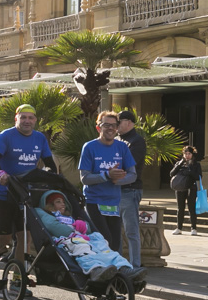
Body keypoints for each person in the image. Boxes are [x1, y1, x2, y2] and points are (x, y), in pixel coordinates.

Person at [0, 104, 57, 261]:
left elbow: (49, 163)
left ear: (35, 120)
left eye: (30, 118)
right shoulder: (6, 136)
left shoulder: (39, 138)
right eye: (23, 117)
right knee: (3, 240)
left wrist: (50, 174)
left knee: (25, 238)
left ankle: (19, 276)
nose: (27, 121)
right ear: (16, 119)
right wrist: (0, 173)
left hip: (25, 193)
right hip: (4, 193)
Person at [34, 190, 145, 283]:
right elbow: (55, 227)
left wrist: (82, 226)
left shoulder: (69, 217)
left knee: (103, 246)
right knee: (83, 249)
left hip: (83, 237)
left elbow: (88, 228)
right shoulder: (48, 216)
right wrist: (75, 229)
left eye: (63, 202)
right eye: (58, 202)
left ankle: (124, 268)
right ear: (50, 205)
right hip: (67, 240)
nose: (63, 204)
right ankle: (95, 270)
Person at [78, 110, 136, 254]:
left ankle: (111, 273)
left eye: (114, 125)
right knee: (104, 240)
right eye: (106, 125)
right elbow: (84, 178)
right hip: (94, 201)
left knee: (115, 243)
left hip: (114, 203)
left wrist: (118, 180)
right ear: (98, 127)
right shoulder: (89, 147)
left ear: (117, 128)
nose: (110, 128)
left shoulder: (122, 147)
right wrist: (106, 175)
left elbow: (133, 174)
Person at [115, 109, 147, 268]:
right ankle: (119, 263)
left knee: (131, 230)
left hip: (130, 190)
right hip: (115, 190)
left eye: (118, 122)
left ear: (128, 122)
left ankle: (135, 265)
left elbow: (128, 164)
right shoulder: (115, 139)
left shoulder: (137, 140)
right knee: (116, 230)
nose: (116, 125)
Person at [168, 146, 203, 235]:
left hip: (191, 188)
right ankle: (179, 228)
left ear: (192, 154)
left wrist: (190, 171)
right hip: (180, 188)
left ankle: (193, 228)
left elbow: (198, 177)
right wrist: (180, 164)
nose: (187, 156)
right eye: (185, 154)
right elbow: (171, 173)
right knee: (180, 208)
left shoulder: (196, 164)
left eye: (189, 154)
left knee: (191, 208)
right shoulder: (179, 163)